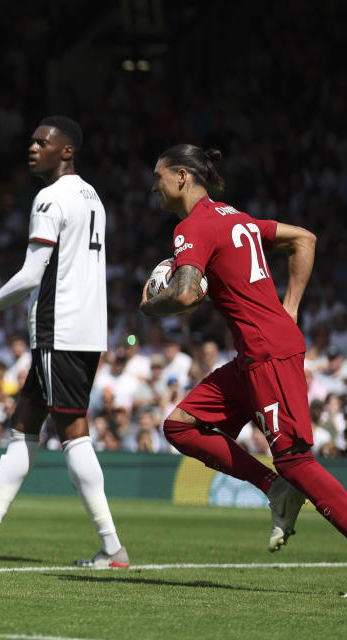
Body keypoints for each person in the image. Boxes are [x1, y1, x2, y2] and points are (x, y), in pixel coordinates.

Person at [140, 143, 347, 549]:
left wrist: (150, 306)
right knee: (179, 426)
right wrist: (289, 308)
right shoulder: (237, 217)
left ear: (181, 176)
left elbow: (183, 296)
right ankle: (275, 488)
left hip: (268, 353)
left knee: (296, 460)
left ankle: (284, 481)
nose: (154, 188)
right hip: (254, 354)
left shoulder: (193, 227)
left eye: (158, 177)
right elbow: (304, 238)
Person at [0, 116, 129, 568]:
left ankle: (112, 545)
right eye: (32, 141)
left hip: (60, 329)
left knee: (74, 432)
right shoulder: (93, 196)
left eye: (43, 142)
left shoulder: (50, 198)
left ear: (67, 151)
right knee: (24, 422)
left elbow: (31, 275)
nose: (33, 148)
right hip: (87, 329)